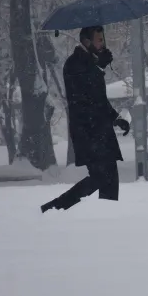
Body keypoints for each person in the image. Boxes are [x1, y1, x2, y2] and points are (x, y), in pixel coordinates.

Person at [41, 25, 130, 212]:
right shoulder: (74, 64)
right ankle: (56, 206)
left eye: (102, 40)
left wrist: (116, 119)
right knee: (100, 177)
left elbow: (100, 100)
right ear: (87, 41)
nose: (103, 44)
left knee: (110, 176)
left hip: (101, 131)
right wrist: (98, 67)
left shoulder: (90, 62)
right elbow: (84, 97)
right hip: (87, 133)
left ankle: (108, 214)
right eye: (99, 40)